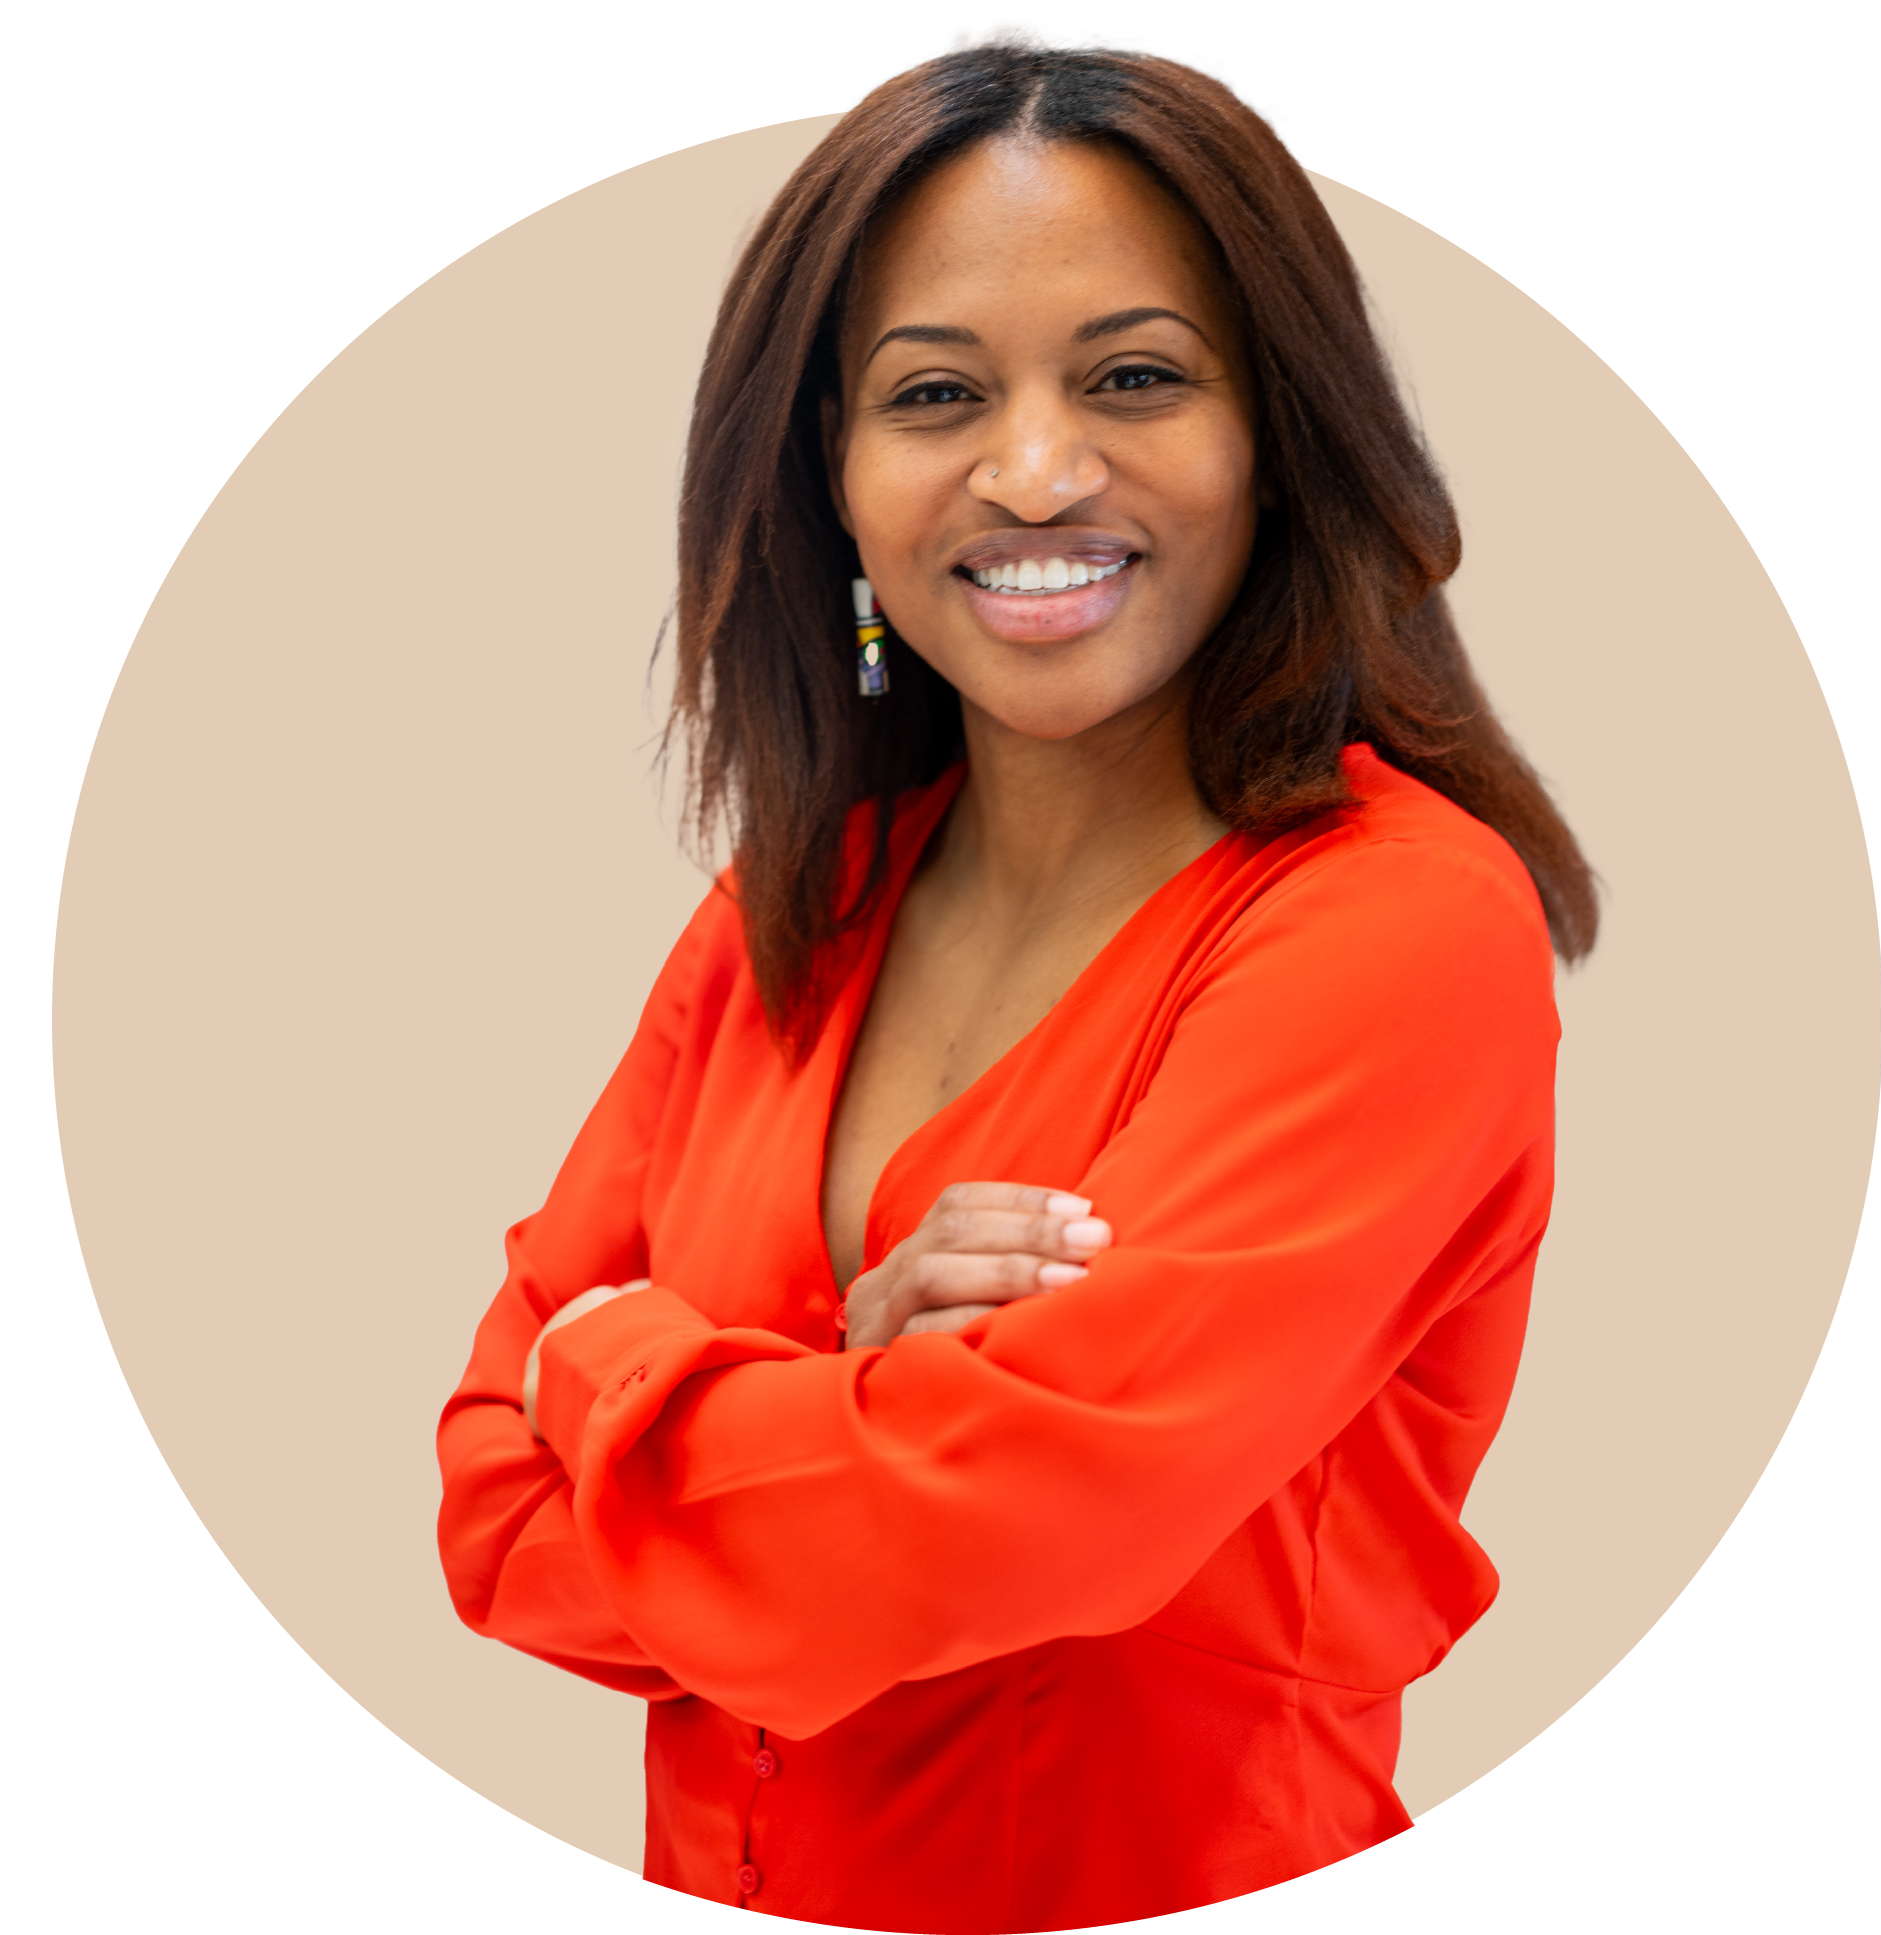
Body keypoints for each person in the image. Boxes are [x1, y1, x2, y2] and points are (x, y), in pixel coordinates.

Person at [436, 43, 1596, 1931]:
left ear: (1277, 432)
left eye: (1134, 377)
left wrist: (609, 1374)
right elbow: (488, 1517)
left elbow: (1017, 1517)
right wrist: (852, 1391)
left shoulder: (1397, 924)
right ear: (834, 469)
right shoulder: (789, 909)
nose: (1035, 471)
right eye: (935, 394)